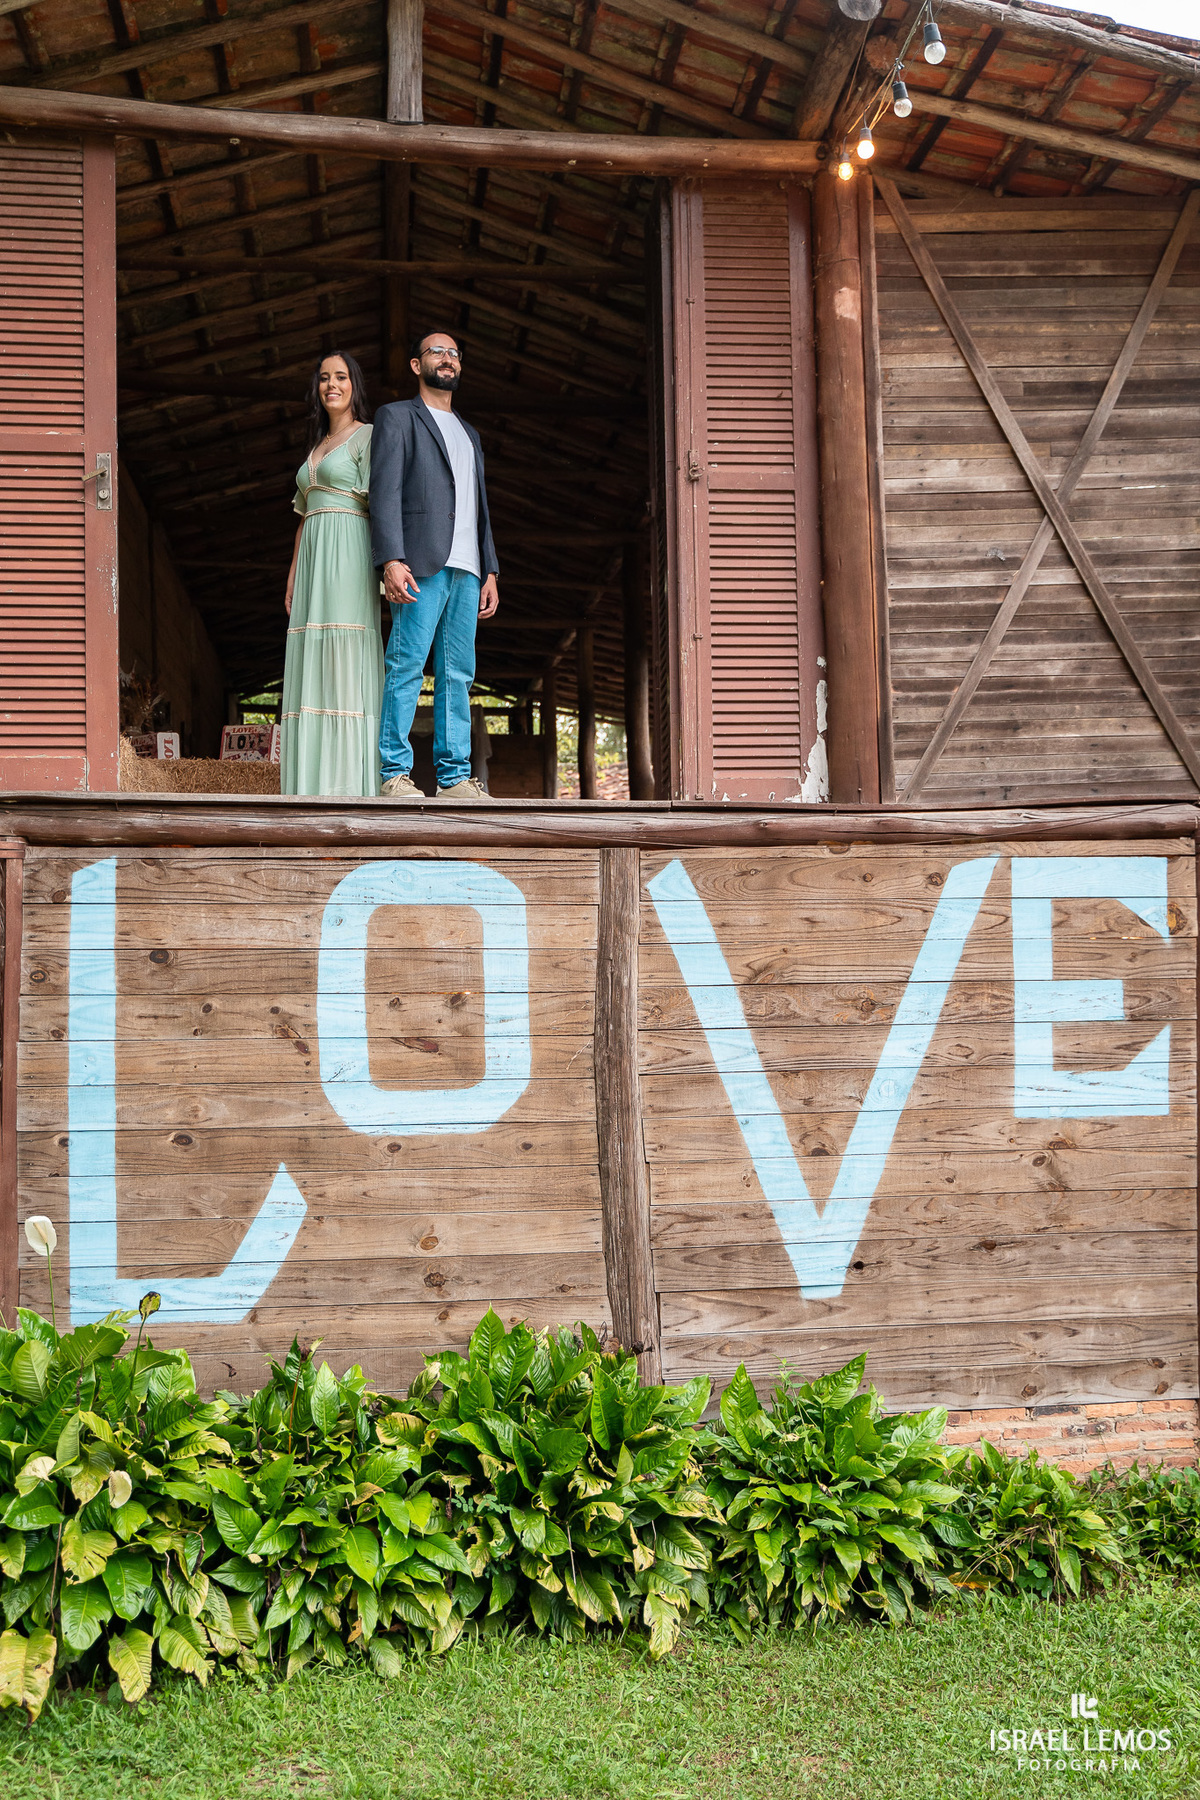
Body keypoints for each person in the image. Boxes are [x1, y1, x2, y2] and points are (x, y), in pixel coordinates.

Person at [370, 330, 500, 800]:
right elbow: (384, 491)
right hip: (420, 562)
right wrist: (391, 558)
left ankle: (454, 778)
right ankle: (393, 773)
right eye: (437, 352)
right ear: (416, 365)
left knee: (458, 674)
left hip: (468, 568)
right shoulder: (397, 417)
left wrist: (490, 569)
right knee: (406, 664)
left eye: (454, 353)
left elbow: (480, 507)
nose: (447, 359)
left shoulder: (470, 433)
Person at [281, 351, 383, 797]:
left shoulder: (367, 436)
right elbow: (304, 517)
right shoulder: (317, 445)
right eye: (324, 378)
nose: (331, 385)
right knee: (312, 657)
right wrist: (292, 573)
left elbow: (382, 504)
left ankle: (347, 786)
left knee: (343, 654)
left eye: (340, 377)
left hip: (348, 552)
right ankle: (309, 785)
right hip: (311, 560)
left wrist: (388, 563)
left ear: (354, 385)